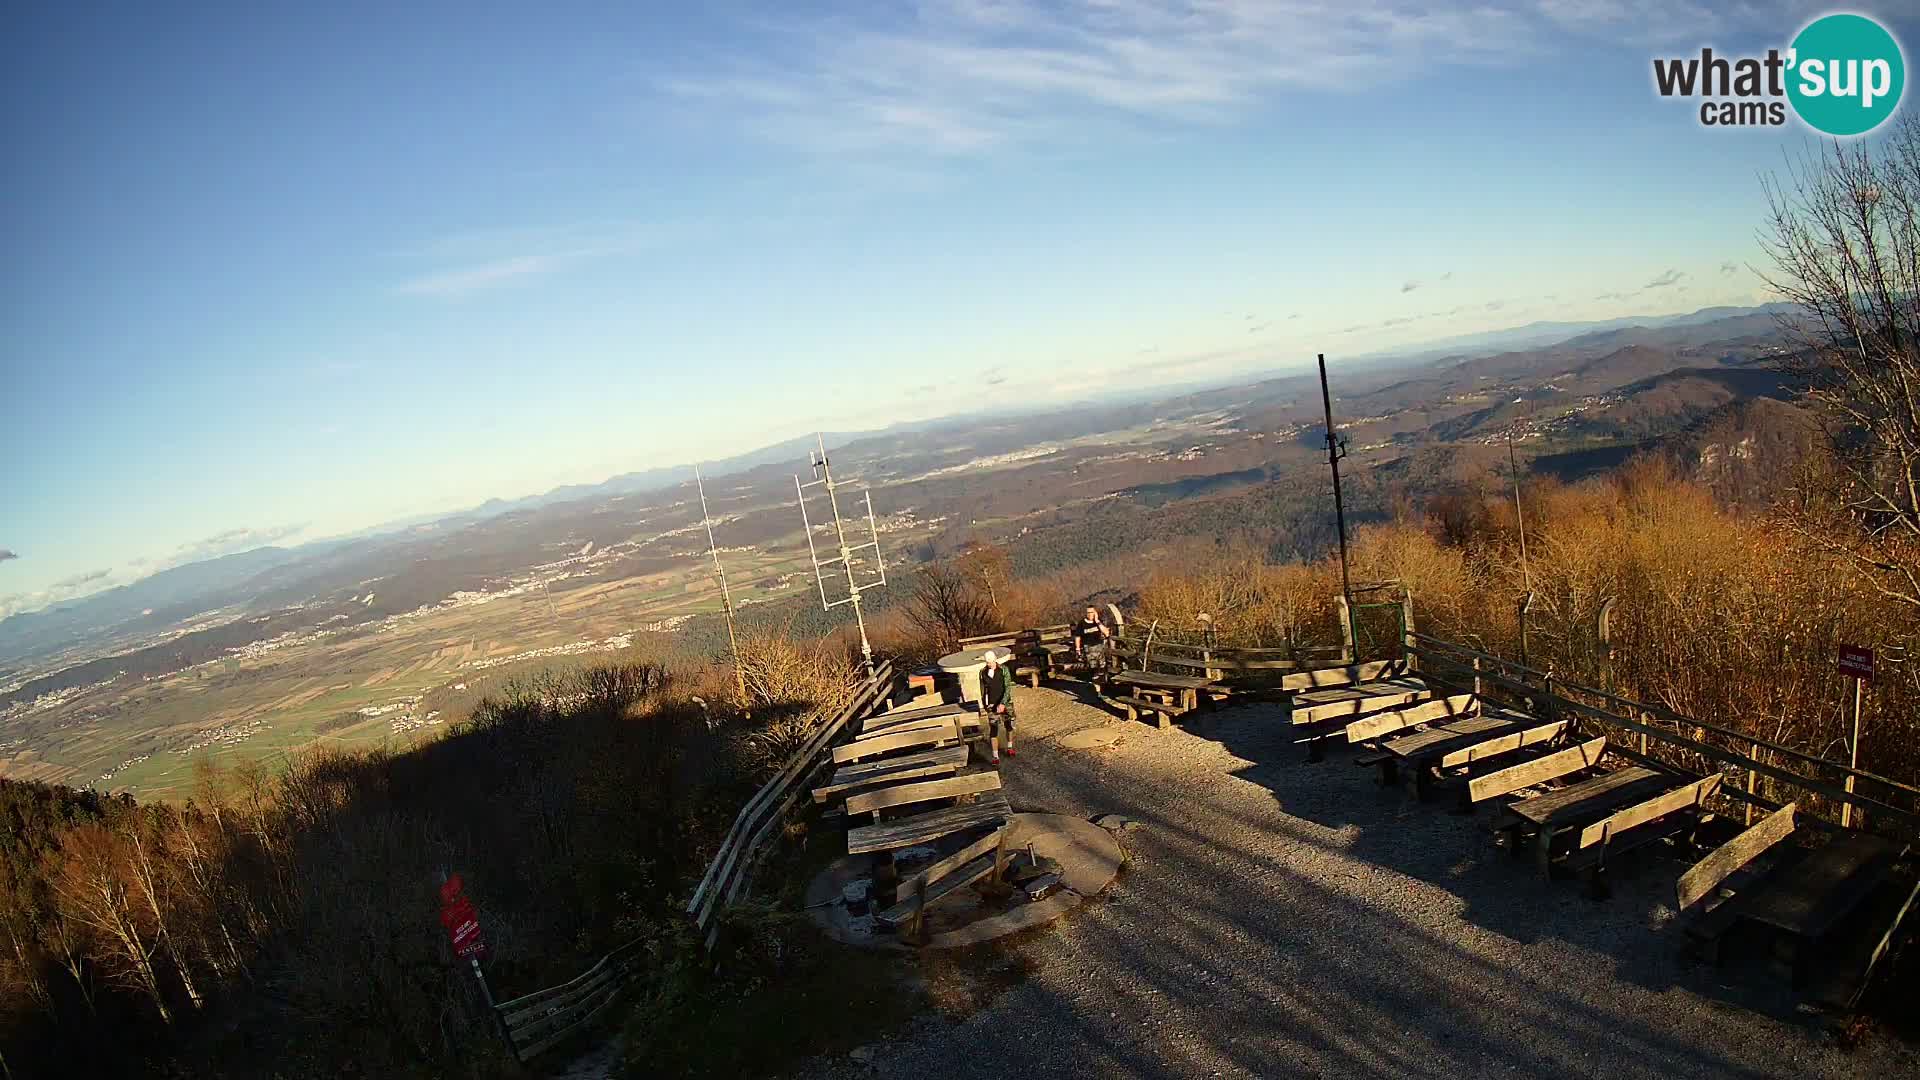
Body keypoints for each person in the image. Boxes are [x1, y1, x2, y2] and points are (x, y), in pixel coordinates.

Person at [978, 649, 1017, 763]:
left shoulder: (1004, 670)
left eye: (991, 662)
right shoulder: (982, 672)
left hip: (1005, 702)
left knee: (1009, 725)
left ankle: (1010, 747)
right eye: (987, 662)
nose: (989, 664)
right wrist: (985, 704)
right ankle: (995, 756)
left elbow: (1007, 687)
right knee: (993, 729)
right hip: (991, 703)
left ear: (995, 660)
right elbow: (983, 690)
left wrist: (1003, 703)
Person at [1071, 605, 1113, 670]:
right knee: (1092, 666)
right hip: (1088, 647)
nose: (1090, 614)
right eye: (1088, 612)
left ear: (1095, 613)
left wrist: (1097, 621)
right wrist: (1078, 649)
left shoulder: (1099, 622)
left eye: (1091, 612)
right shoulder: (1081, 623)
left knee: (1102, 666)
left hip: (1099, 647)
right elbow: (1077, 637)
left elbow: (1106, 633)